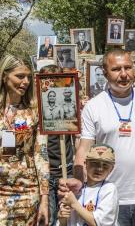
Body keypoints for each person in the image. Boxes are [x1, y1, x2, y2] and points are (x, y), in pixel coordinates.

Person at [59, 49, 135, 225]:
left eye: (128, 67)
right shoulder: (94, 106)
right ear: (105, 72)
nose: (124, 74)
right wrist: (79, 180)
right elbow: (84, 148)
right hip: (110, 198)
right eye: (116, 69)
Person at [0, 54, 49, 225]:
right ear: (4, 76)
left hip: (27, 190)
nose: (26, 81)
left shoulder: (34, 112)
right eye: (20, 76)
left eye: (29, 76)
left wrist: (44, 199)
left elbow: (41, 155)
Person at [39, 65, 75, 226]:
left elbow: (78, 138)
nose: (51, 85)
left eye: (56, 81)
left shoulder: (69, 106)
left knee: (67, 218)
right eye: (47, 81)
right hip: (45, 175)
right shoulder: (35, 108)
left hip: (66, 172)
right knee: (49, 219)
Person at [58, 144, 119, 226]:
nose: (99, 168)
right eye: (94, 163)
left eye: (105, 165)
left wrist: (74, 203)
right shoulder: (76, 190)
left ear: (111, 169)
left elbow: (99, 223)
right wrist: (62, 218)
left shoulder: (109, 189)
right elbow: (65, 223)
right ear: (85, 164)